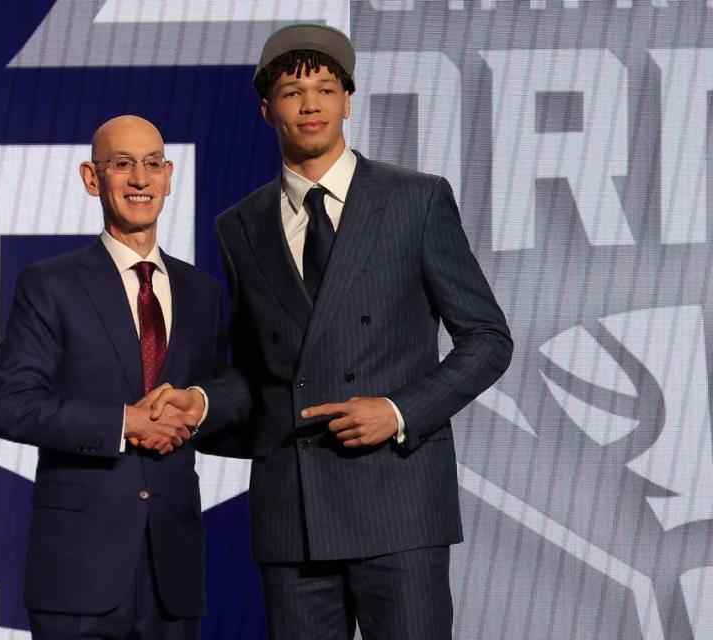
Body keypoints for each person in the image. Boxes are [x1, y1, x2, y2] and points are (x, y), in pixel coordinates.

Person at [151, 23, 513, 640]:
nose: (311, 103)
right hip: (293, 511)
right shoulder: (240, 225)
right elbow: (260, 368)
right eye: (293, 90)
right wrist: (202, 401)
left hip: (397, 501)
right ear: (267, 108)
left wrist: (400, 410)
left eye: (325, 87)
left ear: (349, 98)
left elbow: (487, 338)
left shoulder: (415, 200)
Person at [0, 115, 223, 640]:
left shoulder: (202, 292)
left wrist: (202, 404)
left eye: (152, 164)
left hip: (173, 571)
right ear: (93, 179)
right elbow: (11, 405)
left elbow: (227, 398)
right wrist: (125, 424)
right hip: (78, 571)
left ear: (168, 176)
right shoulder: (49, 284)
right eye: (122, 164)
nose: (140, 179)